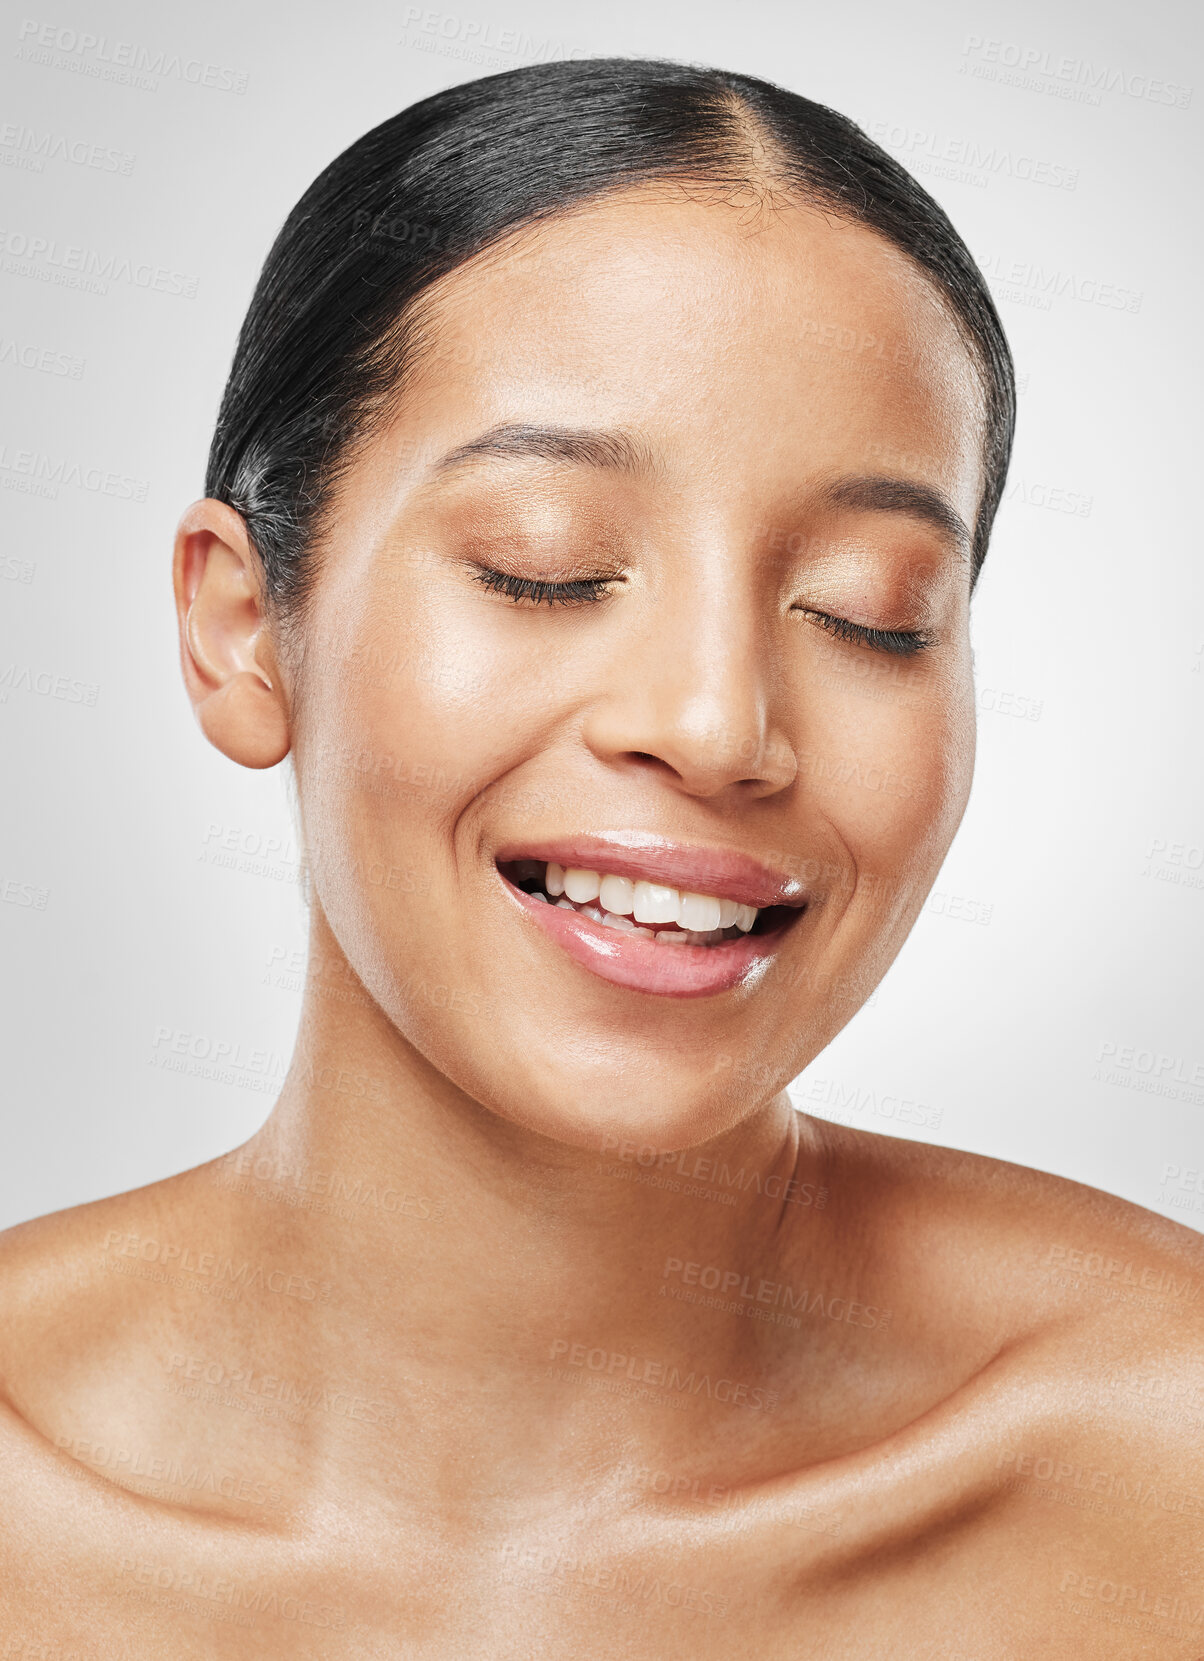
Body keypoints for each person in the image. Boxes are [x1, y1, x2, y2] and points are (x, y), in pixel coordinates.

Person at [1, 58, 1200, 1657]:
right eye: (544, 568)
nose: (717, 725)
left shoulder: (1157, 1452)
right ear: (242, 630)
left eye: (868, 610)